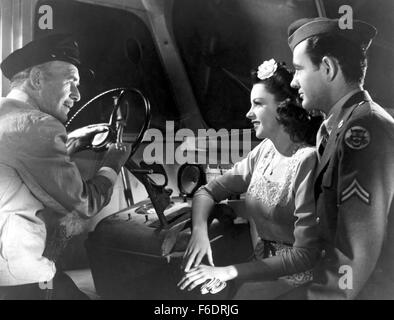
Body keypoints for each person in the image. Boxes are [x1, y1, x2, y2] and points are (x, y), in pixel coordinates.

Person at [177, 59, 323, 298]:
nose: (248, 113)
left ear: (284, 108)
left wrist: (226, 272)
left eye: (257, 104)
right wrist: (199, 231)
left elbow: (305, 256)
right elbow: (207, 192)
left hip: (297, 280)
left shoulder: (307, 160)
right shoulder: (263, 152)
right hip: (257, 268)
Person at [0, 34, 131, 299]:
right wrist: (112, 165)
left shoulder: (8, 115)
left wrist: (71, 141)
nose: (78, 94)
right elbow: (83, 204)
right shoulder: (39, 125)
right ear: (37, 79)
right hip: (20, 279)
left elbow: (25, 164)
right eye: (70, 80)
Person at [281, 17, 394, 299]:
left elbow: (355, 258)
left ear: (328, 68)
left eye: (298, 69)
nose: (293, 82)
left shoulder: (364, 129)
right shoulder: (334, 128)